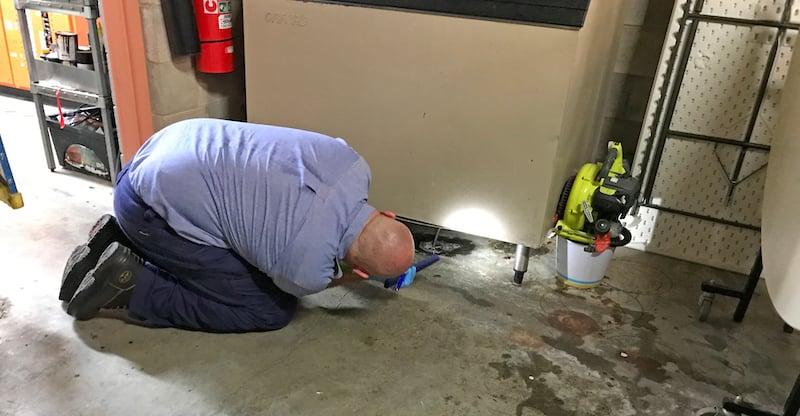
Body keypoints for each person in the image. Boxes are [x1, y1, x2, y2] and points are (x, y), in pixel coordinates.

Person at [60, 118, 416, 333]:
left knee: (241, 227)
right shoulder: (308, 272)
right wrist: (341, 277)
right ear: (362, 272)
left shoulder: (354, 164)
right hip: (144, 205)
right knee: (269, 308)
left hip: (159, 148)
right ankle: (132, 284)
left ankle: (120, 238)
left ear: (388, 215)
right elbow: (290, 284)